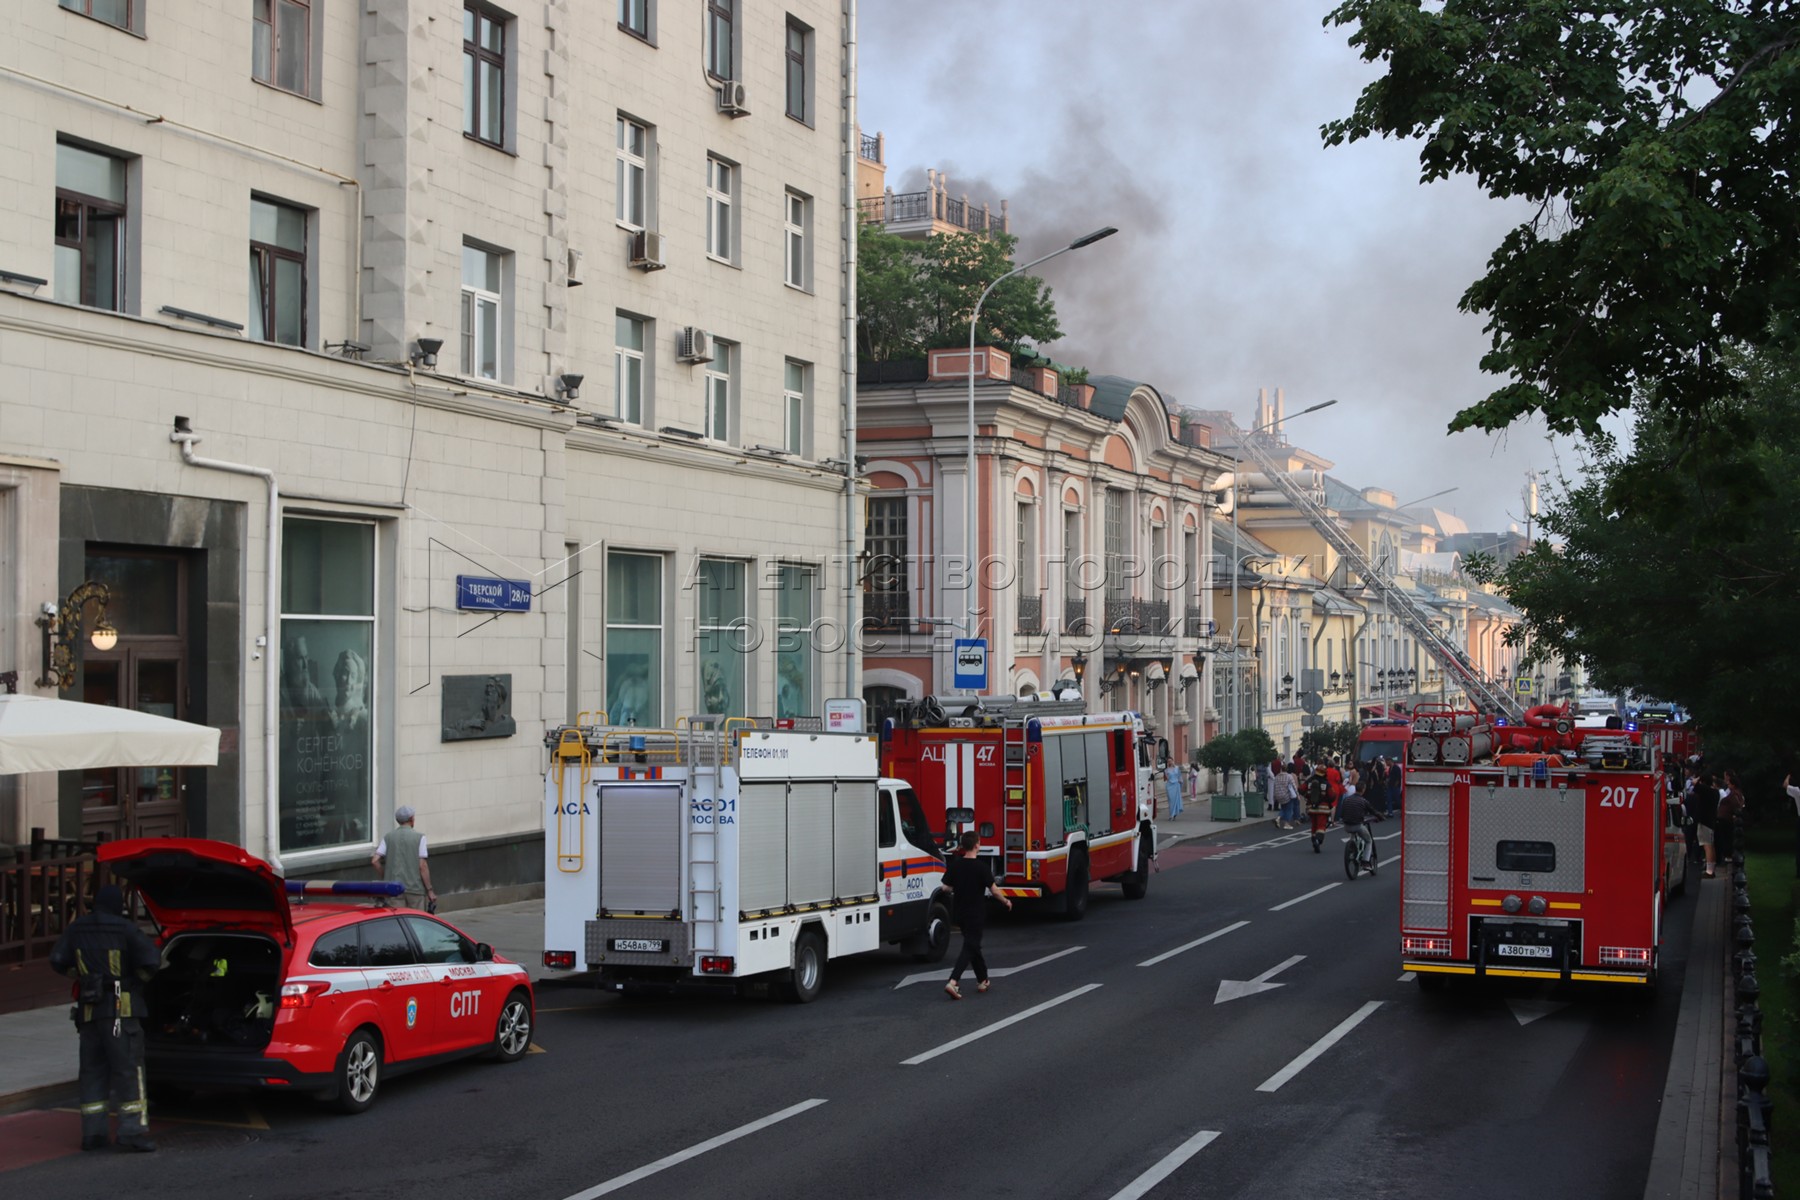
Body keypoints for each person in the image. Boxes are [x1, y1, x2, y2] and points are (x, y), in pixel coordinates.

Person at [49, 884, 161, 1152]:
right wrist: (135, 983)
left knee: (91, 1071)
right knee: (128, 1071)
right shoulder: (125, 929)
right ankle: (131, 1132)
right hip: (120, 1012)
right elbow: (152, 962)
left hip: (88, 1011)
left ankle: (93, 1135)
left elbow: (57, 960)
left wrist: (83, 977)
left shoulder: (77, 928)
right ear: (117, 905)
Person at [940, 831, 1012, 999]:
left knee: (973, 945)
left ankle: (982, 979)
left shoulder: (956, 865)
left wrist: (956, 886)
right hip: (976, 913)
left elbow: (945, 888)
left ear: (963, 846)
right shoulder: (982, 868)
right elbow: (994, 890)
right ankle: (953, 981)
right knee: (970, 946)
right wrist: (1006, 902)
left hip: (959, 913)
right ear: (977, 845)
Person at [372, 805, 436, 910]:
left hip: (393, 889)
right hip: (415, 889)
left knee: (397, 922)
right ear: (411, 819)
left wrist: (386, 876)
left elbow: (374, 861)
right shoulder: (420, 837)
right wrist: (430, 890)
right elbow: (422, 866)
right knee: (416, 922)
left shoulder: (388, 837)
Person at [1335, 783, 1376, 873]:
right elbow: (1372, 810)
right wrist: (1380, 817)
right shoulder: (1363, 801)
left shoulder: (1347, 799)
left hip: (1346, 826)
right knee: (1369, 841)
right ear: (1363, 789)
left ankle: (1352, 851)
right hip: (1357, 825)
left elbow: (1342, 813)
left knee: (1352, 837)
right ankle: (1365, 862)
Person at [1690, 772, 1719, 877]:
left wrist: (1698, 778)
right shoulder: (1715, 792)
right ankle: (1711, 868)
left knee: (1707, 846)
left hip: (1704, 821)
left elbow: (1694, 783)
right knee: (1711, 845)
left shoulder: (1705, 790)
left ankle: (1709, 871)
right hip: (1711, 821)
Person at [1270, 763, 1300, 829]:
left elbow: (1275, 786)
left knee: (1283, 808)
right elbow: (1294, 786)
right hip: (1287, 795)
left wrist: (1274, 797)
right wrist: (1297, 795)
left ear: (1281, 769)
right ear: (1287, 769)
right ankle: (1286, 824)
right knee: (1289, 809)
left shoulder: (1277, 776)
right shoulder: (1289, 776)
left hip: (1279, 795)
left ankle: (1278, 818)